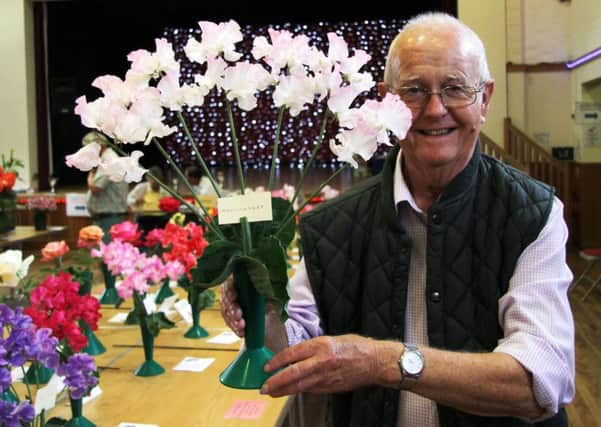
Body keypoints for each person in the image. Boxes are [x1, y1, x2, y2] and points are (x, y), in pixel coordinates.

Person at [220, 12, 575, 427]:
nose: (435, 108)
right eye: (414, 90)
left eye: (456, 88)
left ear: (485, 100)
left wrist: (385, 362)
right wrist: (262, 308)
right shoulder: (333, 224)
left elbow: (542, 382)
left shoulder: (530, 213)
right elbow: (290, 348)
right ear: (386, 100)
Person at [84, 131, 128, 303]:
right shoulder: (105, 160)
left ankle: (111, 291)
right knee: (105, 256)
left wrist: (90, 176)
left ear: (99, 146)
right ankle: (110, 289)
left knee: (109, 256)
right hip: (104, 216)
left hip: (110, 217)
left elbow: (96, 187)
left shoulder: (110, 160)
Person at [127, 165, 169, 235]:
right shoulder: (142, 187)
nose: (155, 182)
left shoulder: (165, 190)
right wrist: (136, 201)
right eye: (153, 179)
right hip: (144, 218)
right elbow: (129, 199)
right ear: (148, 178)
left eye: (157, 180)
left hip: (161, 219)